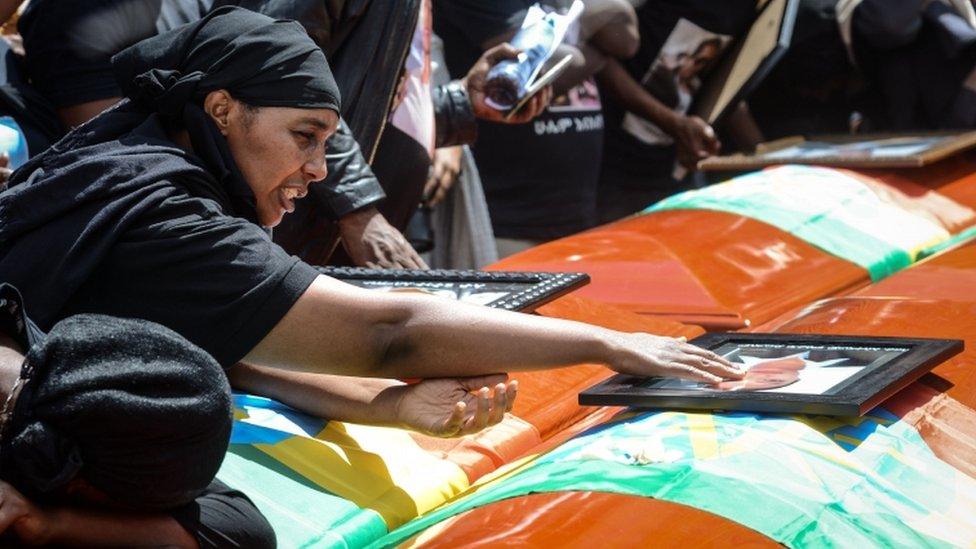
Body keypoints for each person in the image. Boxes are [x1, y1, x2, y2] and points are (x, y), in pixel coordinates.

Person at [0, 9, 742, 436]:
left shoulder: (149, 154)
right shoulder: (171, 213)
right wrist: (609, 341)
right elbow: (392, 332)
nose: (320, 170)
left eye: (330, 141)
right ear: (221, 109)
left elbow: (236, 346)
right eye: (304, 137)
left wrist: (389, 406)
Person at [0, 284, 274, 548]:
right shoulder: (64, 433)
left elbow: (246, 529)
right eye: (138, 510)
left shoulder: (61, 384)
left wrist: (51, 523)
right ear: (78, 486)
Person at [434, 0, 635, 257]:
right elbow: (538, 70)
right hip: (510, 221)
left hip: (576, 216)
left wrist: (572, 38)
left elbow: (626, 38)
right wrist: (596, 45)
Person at [596, 0, 756, 222]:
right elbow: (598, 53)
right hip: (610, 154)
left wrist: (764, 153)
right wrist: (672, 122)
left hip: (670, 163)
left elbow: (723, 75)